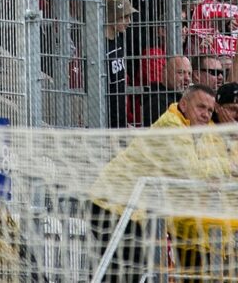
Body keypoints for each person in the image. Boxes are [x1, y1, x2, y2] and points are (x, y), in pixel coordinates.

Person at [89, 84, 224, 283]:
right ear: (184, 104)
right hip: (112, 203)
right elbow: (191, 170)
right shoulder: (173, 127)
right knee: (125, 270)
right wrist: (224, 166)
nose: (206, 114)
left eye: (210, 110)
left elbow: (187, 175)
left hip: (129, 206)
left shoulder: (189, 130)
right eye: (201, 107)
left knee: (125, 270)